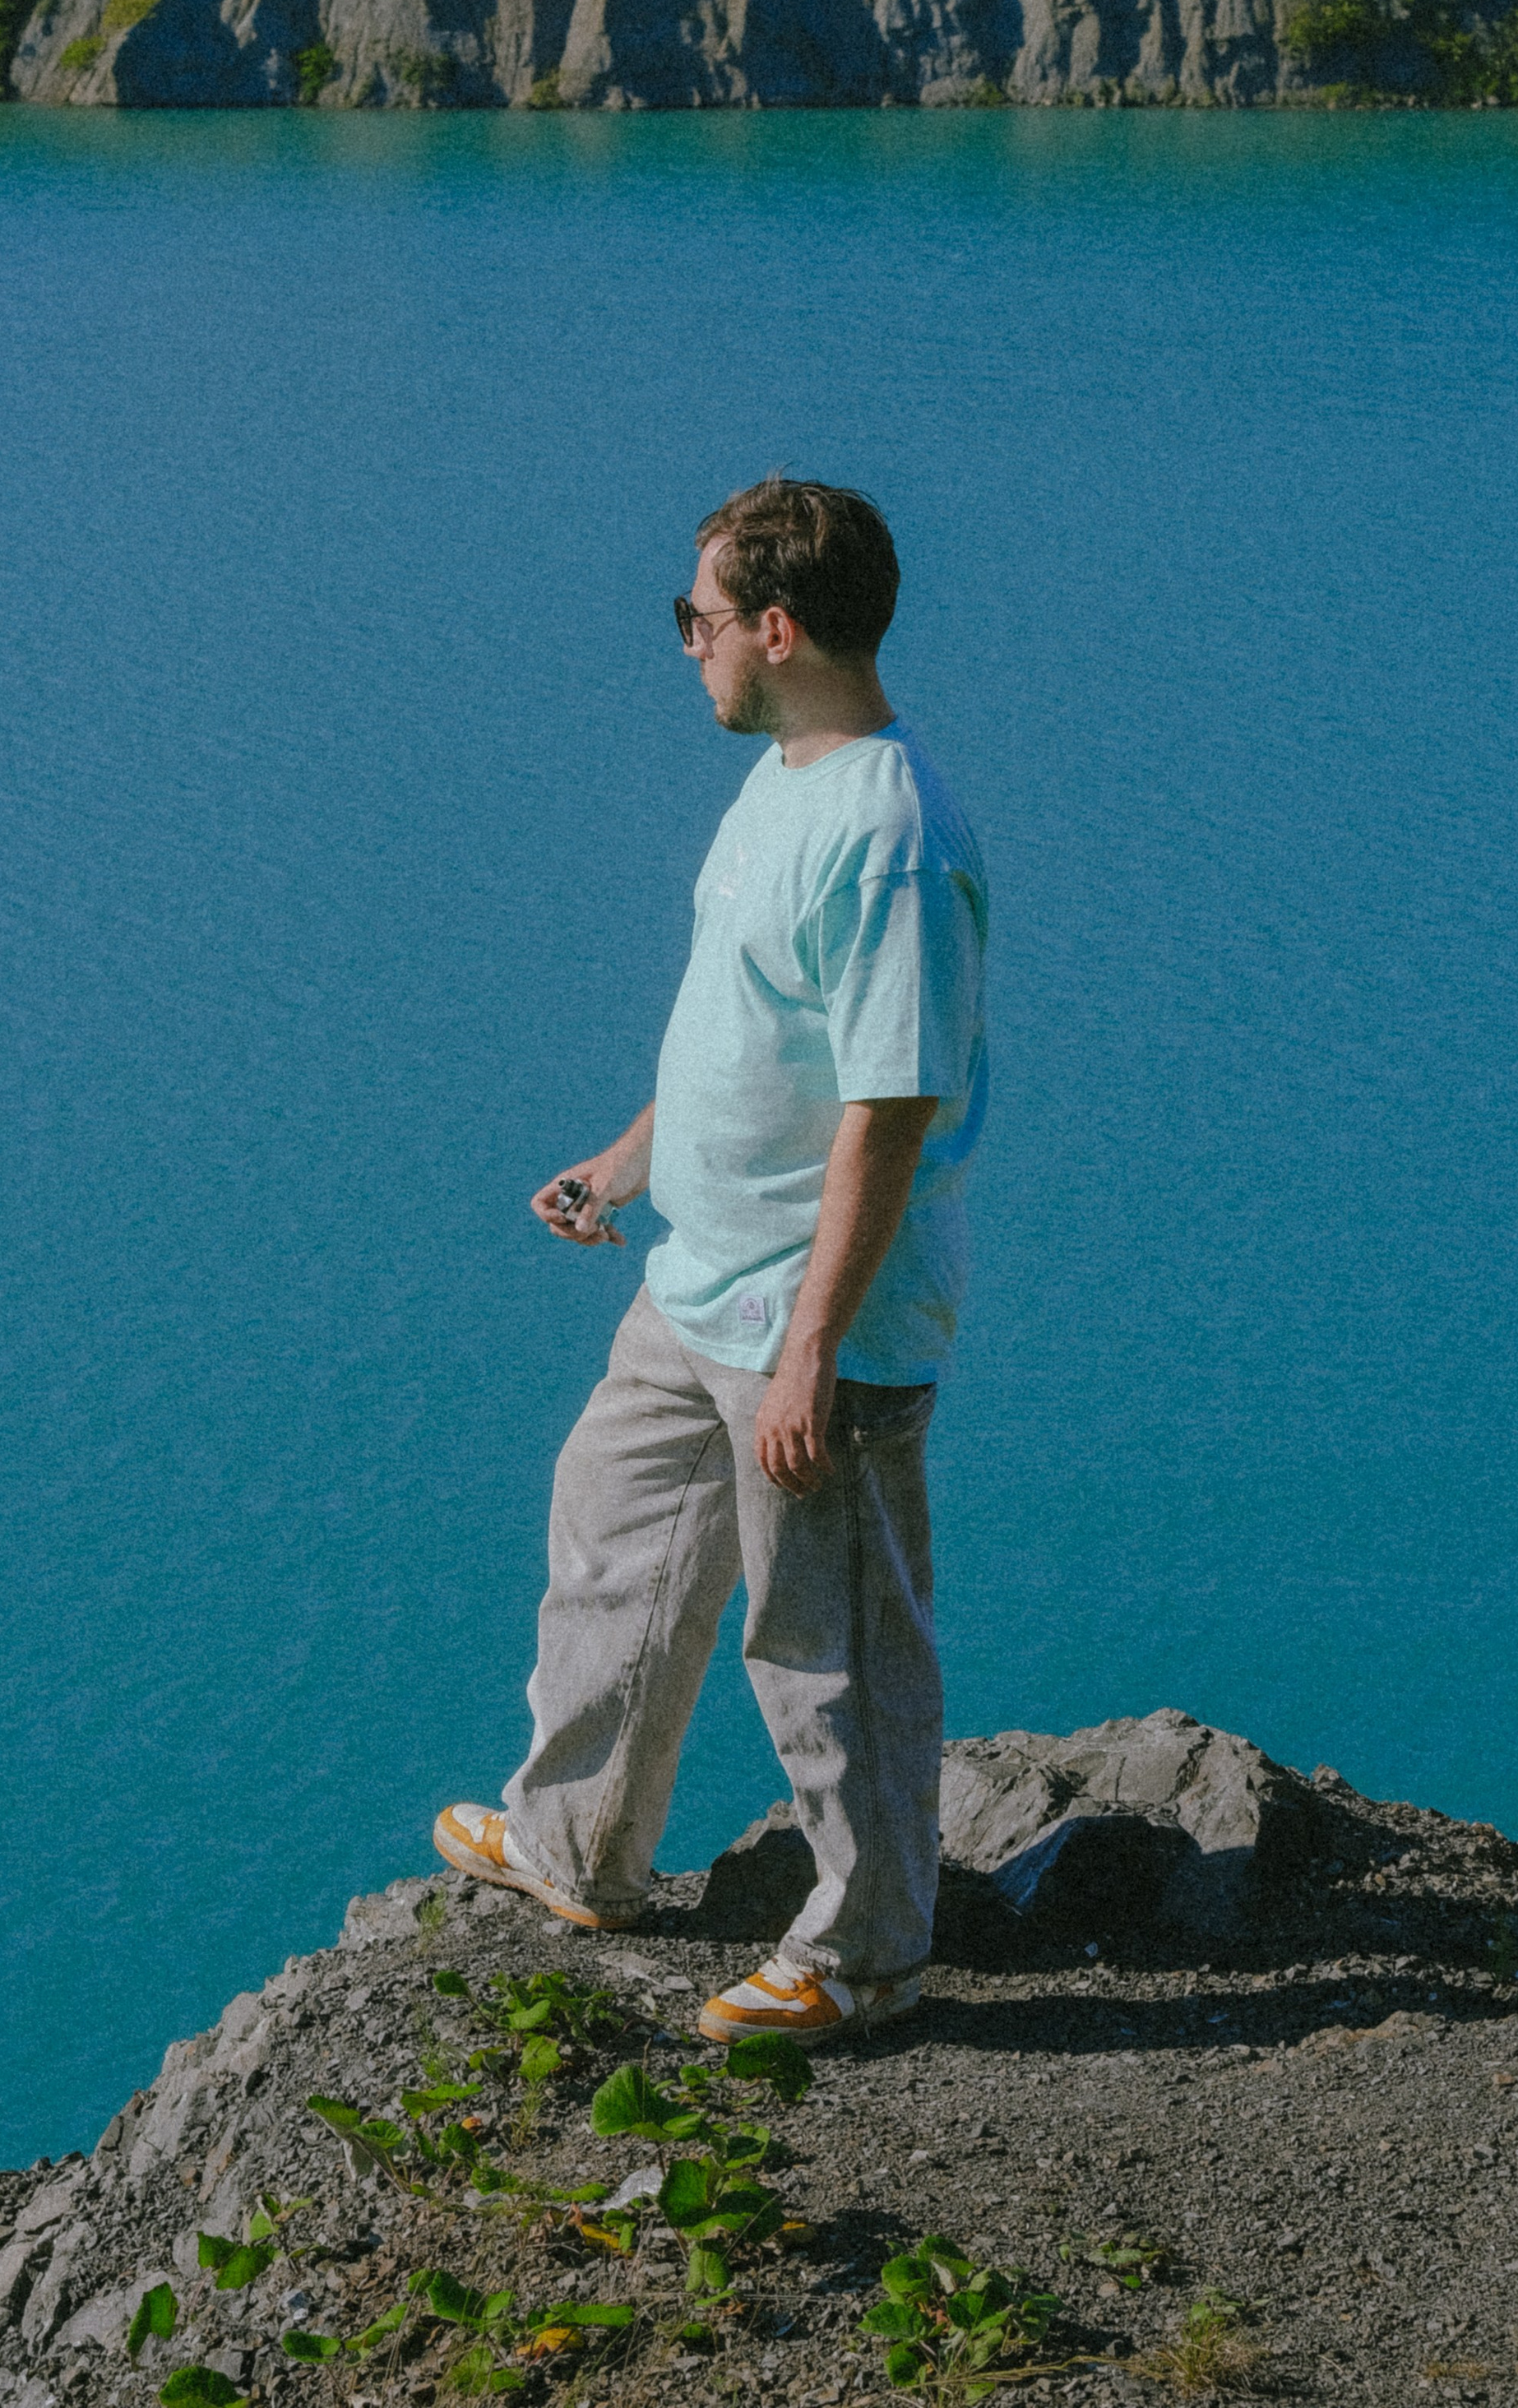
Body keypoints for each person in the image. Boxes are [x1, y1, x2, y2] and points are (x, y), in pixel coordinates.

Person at [435, 477, 988, 2040]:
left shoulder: (891, 833)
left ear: (780, 626)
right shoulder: (784, 784)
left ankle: (868, 1950)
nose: (688, 649)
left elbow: (889, 1106)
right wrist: (625, 1164)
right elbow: (748, 1036)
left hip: (817, 1313)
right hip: (697, 1279)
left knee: (827, 1639)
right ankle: (576, 1845)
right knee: (611, 1532)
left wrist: (815, 1345)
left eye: (700, 619)